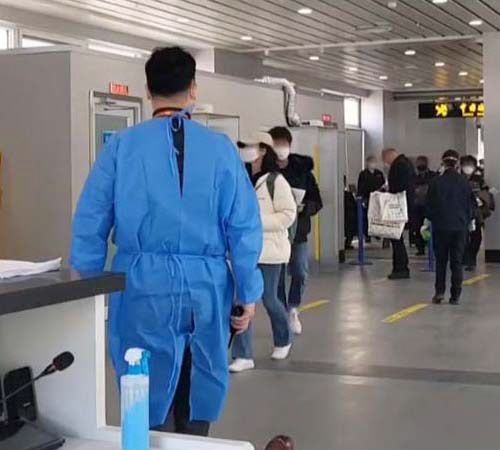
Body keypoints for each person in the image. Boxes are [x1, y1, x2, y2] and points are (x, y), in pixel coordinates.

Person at [70, 47, 264, 436]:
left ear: (147, 90)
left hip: (141, 286)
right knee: (199, 385)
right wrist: (247, 292)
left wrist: (87, 289)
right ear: (193, 89)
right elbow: (244, 226)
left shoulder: (121, 147)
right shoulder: (221, 150)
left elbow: (90, 222)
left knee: (140, 390)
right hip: (206, 288)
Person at [230, 132, 297, 373]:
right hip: (244, 251)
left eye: (250, 146)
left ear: (263, 151)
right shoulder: (242, 178)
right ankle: (243, 354)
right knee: (241, 300)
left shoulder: (275, 181)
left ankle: (283, 338)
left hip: (270, 251)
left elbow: (288, 215)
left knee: (269, 298)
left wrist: (257, 222)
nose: (246, 151)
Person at [269, 126, 323, 335]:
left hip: (298, 230)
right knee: (278, 275)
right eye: (276, 144)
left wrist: (305, 208)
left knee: (299, 270)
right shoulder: (266, 171)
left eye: (283, 144)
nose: (280, 148)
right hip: (274, 231)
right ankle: (282, 312)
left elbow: (316, 200)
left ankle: (293, 307)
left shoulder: (303, 171)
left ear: (290, 145)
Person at [426, 149, 475, 305]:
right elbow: (471, 205)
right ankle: (455, 296)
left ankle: (439, 292)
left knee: (441, 261)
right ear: (457, 163)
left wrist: (429, 220)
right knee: (457, 262)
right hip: (460, 227)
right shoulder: (464, 182)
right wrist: (469, 221)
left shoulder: (436, 182)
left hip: (441, 226)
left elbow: (429, 205)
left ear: (443, 162)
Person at [381, 148, 415, 279]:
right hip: (405, 205)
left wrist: (388, 191)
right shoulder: (406, 163)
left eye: (385, 160)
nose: (386, 163)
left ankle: (400, 268)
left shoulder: (398, 166)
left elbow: (398, 187)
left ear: (389, 156)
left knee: (396, 238)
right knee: (397, 238)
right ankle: (400, 267)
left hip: (398, 206)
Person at [464, 174, 494, 271]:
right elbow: (490, 208)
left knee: (471, 239)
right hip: (476, 219)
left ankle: (469, 260)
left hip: (469, 219)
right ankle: (470, 260)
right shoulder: (484, 194)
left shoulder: (467, 193)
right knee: (475, 239)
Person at [357, 156, 385, 242]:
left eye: (374, 162)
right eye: (371, 162)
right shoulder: (363, 174)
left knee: (377, 216)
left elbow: (383, 184)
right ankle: (367, 234)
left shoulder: (379, 174)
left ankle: (377, 232)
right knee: (367, 216)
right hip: (367, 197)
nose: (372, 164)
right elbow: (360, 186)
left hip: (378, 197)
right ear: (367, 163)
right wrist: (361, 196)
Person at [413, 156, 436, 256]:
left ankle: (432, 245)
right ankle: (420, 248)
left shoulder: (433, 176)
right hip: (417, 206)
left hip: (429, 206)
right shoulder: (414, 177)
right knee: (418, 227)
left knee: (430, 227)